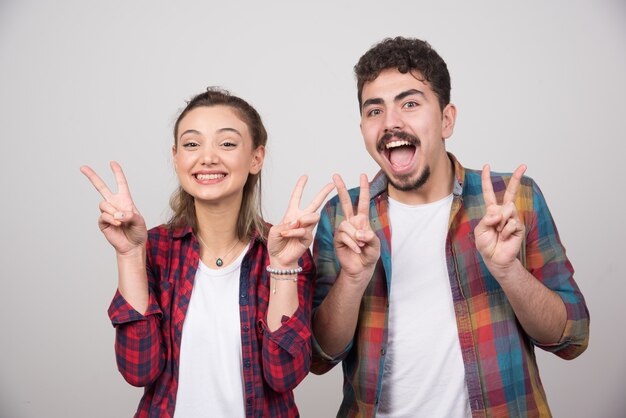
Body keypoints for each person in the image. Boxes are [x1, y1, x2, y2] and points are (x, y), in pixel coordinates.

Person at [311, 37, 589, 417]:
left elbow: (572, 338)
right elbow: (320, 355)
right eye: (374, 110)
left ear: (446, 119)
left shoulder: (513, 200)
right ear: (362, 127)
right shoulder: (342, 218)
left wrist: (508, 271)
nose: (391, 122)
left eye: (410, 103)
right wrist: (353, 280)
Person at [81, 88, 333, 418]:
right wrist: (129, 255)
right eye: (191, 144)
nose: (208, 157)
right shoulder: (154, 248)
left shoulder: (286, 250)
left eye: (227, 143)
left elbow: (284, 374)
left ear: (256, 158)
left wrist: (283, 267)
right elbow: (138, 370)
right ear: (176, 157)